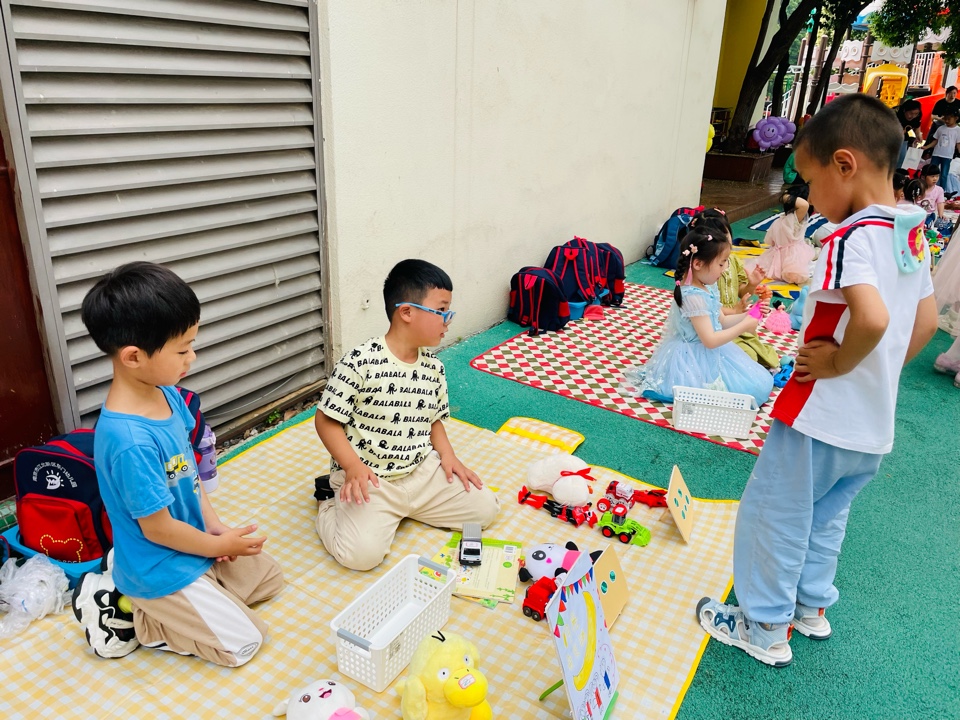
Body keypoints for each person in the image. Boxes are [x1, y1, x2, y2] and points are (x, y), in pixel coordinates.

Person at [696, 94, 937, 667]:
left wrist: (837, 365)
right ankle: (810, 607)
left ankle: (763, 625)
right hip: (870, 425)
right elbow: (923, 323)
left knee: (774, 513)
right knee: (827, 518)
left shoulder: (849, 237)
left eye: (809, 178)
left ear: (844, 165)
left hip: (818, 413)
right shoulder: (913, 236)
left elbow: (871, 319)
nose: (808, 194)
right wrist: (875, 370)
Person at [74, 262, 283, 664]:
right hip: (159, 561)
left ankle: (182, 590)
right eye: (183, 349)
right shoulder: (129, 442)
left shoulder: (166, 393)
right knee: (244, 643)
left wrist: (214, 526)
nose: (193, 356)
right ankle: (131, 611)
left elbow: (188, 473)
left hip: (189, 541)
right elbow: (158, 529)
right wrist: (218, 545)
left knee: (270, 578)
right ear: (134, 357)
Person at [314, 259, 500, 571]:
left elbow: (433, 419)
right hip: (370, 478)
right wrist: (352, 466)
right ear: (407, 312)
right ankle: (329, 502)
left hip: (421, 473)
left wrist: (449, 457)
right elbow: (326, 420)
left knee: (485, 509)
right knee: (361, 556)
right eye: (442, 311)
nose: (448, 321)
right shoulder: (360, 361)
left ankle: (404, 510)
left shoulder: (433, 367)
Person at [621, 227, 774, 406]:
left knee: (758, 384)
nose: (725, 269)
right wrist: (745, 324)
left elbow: (721, 321)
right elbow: (710, 340)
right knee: (751, 390)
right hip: (690, 359)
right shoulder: (693, 296)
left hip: (711, 352)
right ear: (698, 264)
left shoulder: (707, 287)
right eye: (721, 264)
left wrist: (751, 313)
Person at [687, 209, 779, 368]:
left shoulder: (733, 261)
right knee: (749, 357)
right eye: (720, 264)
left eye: (725, 234)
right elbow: (712, 316)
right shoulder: (698, 283)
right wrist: (738, 314)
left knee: (758, 353)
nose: (723, 269)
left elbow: (741, 294)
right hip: (712, 327)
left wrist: (752, 286)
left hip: (729, 320)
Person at [756, 184, 816, 285]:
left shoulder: (798, 217)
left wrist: (784, 196)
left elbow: (804, 205)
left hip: (792, 257)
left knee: (793, 275)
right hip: (779, 254)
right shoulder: (786, 217)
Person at [921, 109, 960, 190]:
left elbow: (958, 144)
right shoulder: (941, 128)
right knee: (931, 171)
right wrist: (927, 147)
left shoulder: (958, 130)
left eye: (949, 119)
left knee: (944, 174)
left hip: (947, 156)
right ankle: (927, 187)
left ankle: (942, 190)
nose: (946, 121)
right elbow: (935, 141)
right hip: (936, 154)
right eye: (945, 118)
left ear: (956, 118)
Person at [895, 98, 924, 168]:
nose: (913, 116)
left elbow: (917, 126)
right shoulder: (895, 114)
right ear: (904, 110)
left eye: (916, 114)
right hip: (890, 139)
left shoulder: (917, 116)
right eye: (911, 113)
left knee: (902, 158)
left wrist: (918, 135)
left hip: (904, 139)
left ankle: (897, 173)